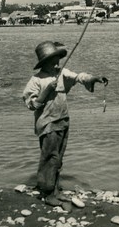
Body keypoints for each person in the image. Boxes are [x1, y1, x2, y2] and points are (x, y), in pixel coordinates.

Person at [23, 41, 108, 208]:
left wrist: (94, 78)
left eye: (57, 59)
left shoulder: (61, 73)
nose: (56, 63)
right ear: (43, 62)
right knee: (49, 157)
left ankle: (55, 190)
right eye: (52, 60)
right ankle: (47, 193)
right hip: (47, 123)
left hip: (63, 120)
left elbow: (78, 77)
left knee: (58, 158)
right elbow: (31, 104)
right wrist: (47, 90)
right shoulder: (36, 80)